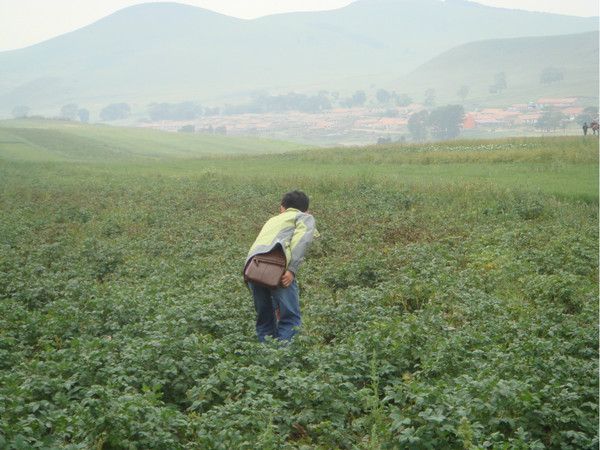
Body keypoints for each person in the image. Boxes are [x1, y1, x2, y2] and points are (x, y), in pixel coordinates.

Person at [245, 191, 316, 342]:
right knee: (290, 318)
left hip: (253, 268)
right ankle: (283, 359)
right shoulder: (303, 217)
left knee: (265, 317)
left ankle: (265, 356)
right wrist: (291, 270)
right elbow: (301, 241)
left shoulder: (273, 220)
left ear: (282, 208)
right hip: (277, 270)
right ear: (306, 210)